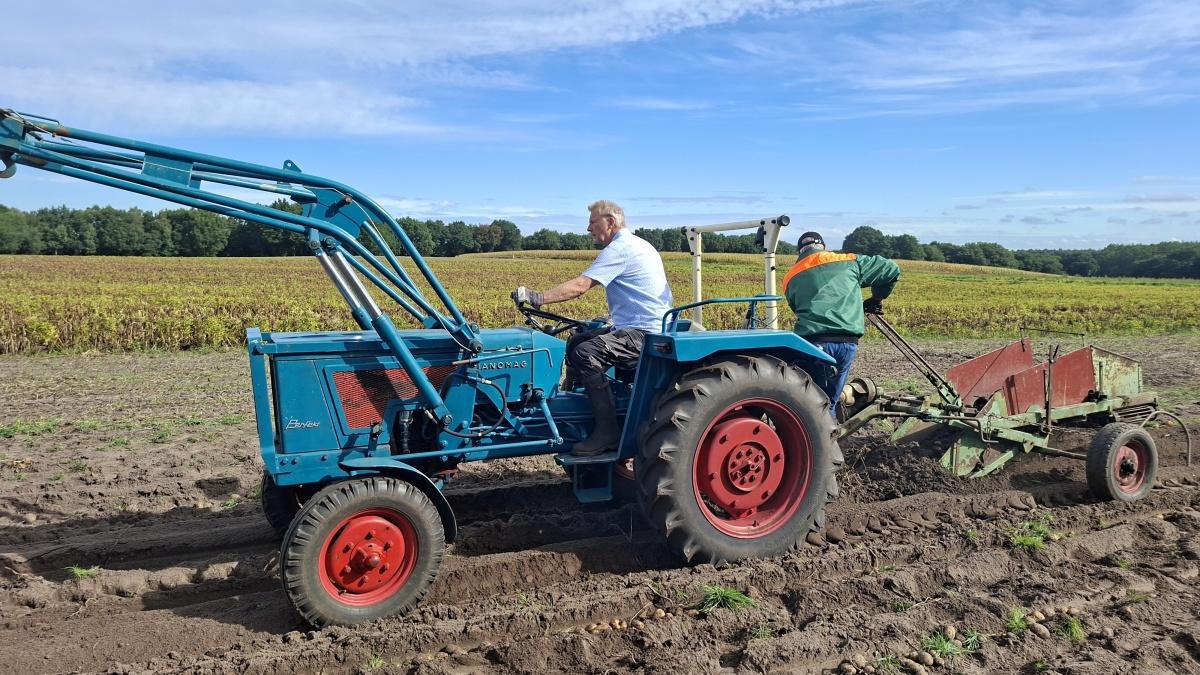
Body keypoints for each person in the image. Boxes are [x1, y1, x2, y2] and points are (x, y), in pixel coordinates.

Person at [513, 200, 672, 455]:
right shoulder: (638, 244)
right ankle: (575, 405)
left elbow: (581, 286)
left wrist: (538, 298)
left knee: (586, 353)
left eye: (592, 222)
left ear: (611, 222)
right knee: (577, 340)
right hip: (637, 326)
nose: (588, 229)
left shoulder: (621, 248)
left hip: (644, 332)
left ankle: (607, 432)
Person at [782, 231, 900, 418]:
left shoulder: (790, 277)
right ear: (823, 247)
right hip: (847, 343)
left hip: (812, 345)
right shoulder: (849, 261)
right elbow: (891, 270)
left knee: (813, 403)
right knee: (829, 401)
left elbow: (797, 308)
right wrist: (877, 298)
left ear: (800, 251)